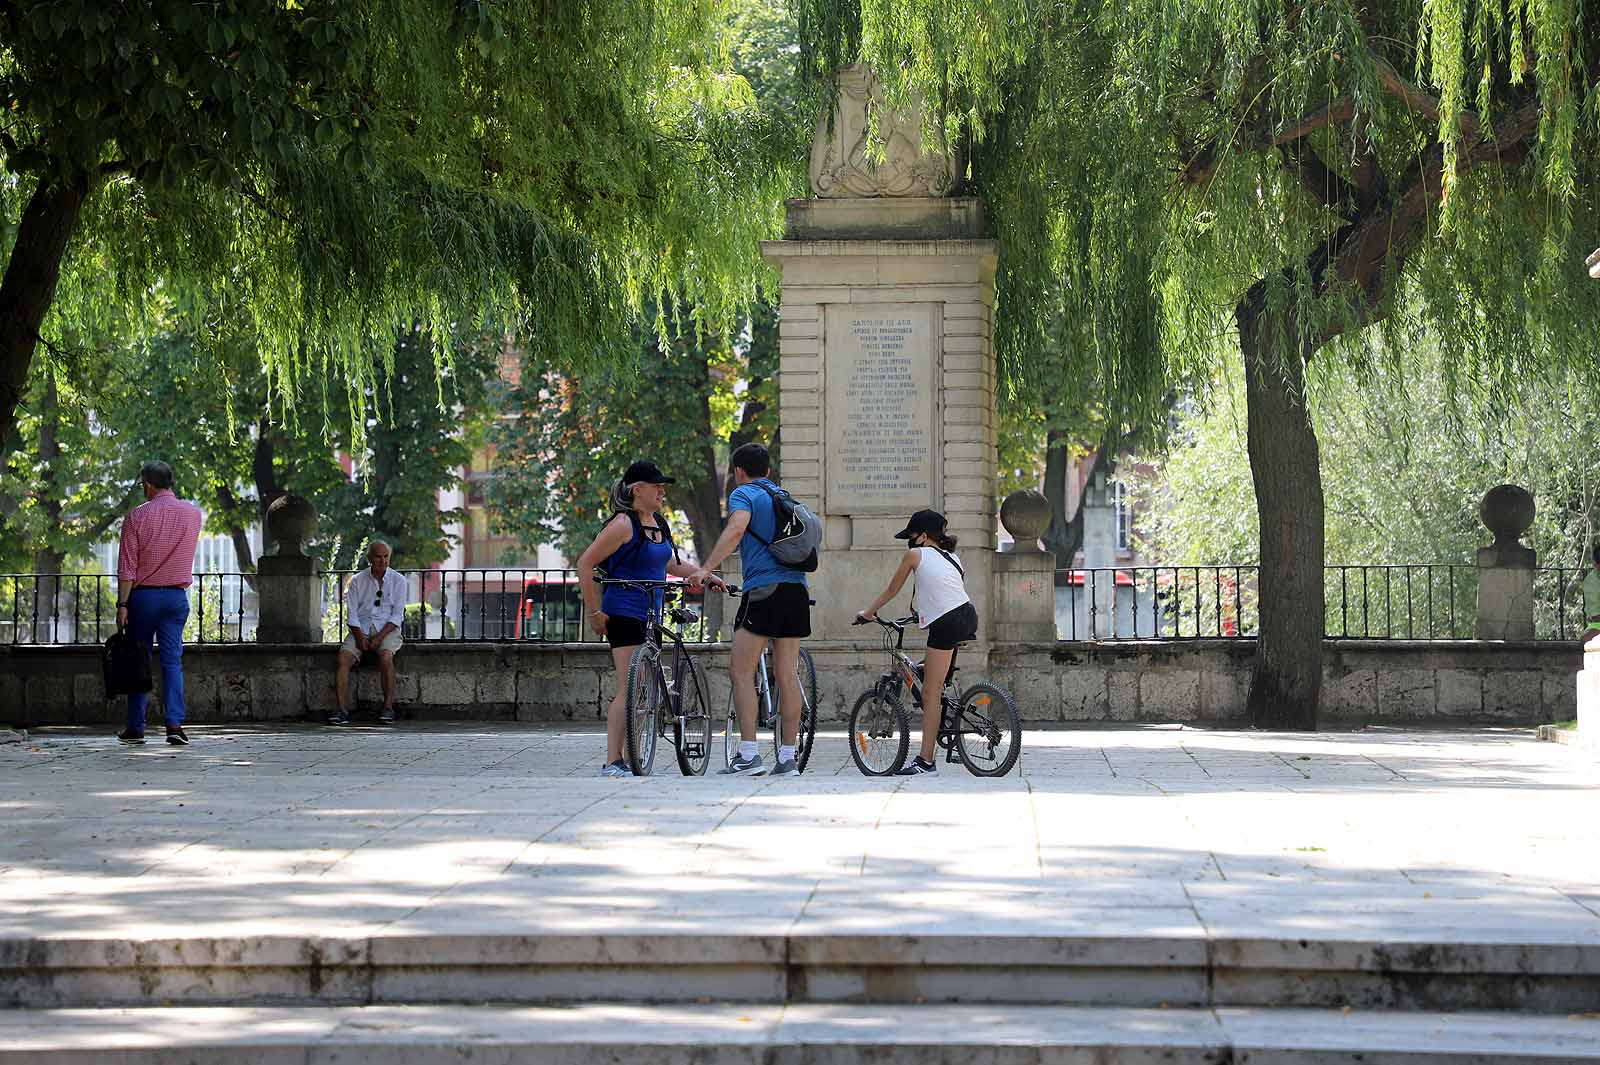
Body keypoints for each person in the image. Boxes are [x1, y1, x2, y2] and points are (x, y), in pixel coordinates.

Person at [578, 460, 717, 777]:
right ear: (637, 490)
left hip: (651, 615)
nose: (662, 492)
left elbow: (669, 564)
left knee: (644, 690)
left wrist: (705, 576)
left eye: (663, 487)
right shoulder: (622, 524)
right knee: (629, 687)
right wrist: (594, 613)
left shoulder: (659, 524)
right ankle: (613, 761)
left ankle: (633, 758)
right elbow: (585, 564)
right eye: (657, 486)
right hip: (624, 611)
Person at [692, 442, 809, 776]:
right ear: (768, 471)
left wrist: (707, 568)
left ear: (738, 472)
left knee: (741, 670)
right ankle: (788, 758)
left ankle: (748, 755)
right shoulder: (784, 496)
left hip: (764, 590)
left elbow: (736, 528)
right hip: (797, 590)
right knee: (787, 674)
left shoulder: (744, 494)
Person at [856, 509, 977, 776]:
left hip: (946, 621)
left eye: (911, 536)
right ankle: (946, 718)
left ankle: (926, 762)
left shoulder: (915, 554)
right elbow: (945, 589)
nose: (909, 541)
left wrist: (869, 613)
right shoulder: (953, 558)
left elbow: (892, 589)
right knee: (934, 677)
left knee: (930, 692)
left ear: (922, 536)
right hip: (967, 616)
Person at [115, 460, 204, 746]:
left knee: (138, 661)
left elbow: (127, 568)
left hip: (144, 598)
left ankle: (135, 727)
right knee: (172, 662)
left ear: (148, 484)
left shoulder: (136, 517)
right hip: (176, 598)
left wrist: (122, 604)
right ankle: (174, 725)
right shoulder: (193, 515)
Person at [332, 540, 408, 725]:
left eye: (386, 557)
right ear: (370, 558)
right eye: (378, 557)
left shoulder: (399, 580)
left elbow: (397, 615)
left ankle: (388, 708)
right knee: (343, 658)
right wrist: (360, 638)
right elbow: (352, 614)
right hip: (361, 628)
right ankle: (341, 710)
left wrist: (379, 638)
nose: (383, 561)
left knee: (386, 656)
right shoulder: (357, 580)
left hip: (387, 629)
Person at [1583, 541, 1600, 645]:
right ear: (1596, 565)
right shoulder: (1591, 582)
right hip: (1598, 625)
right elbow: (1595, 616)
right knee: (1587, 638)